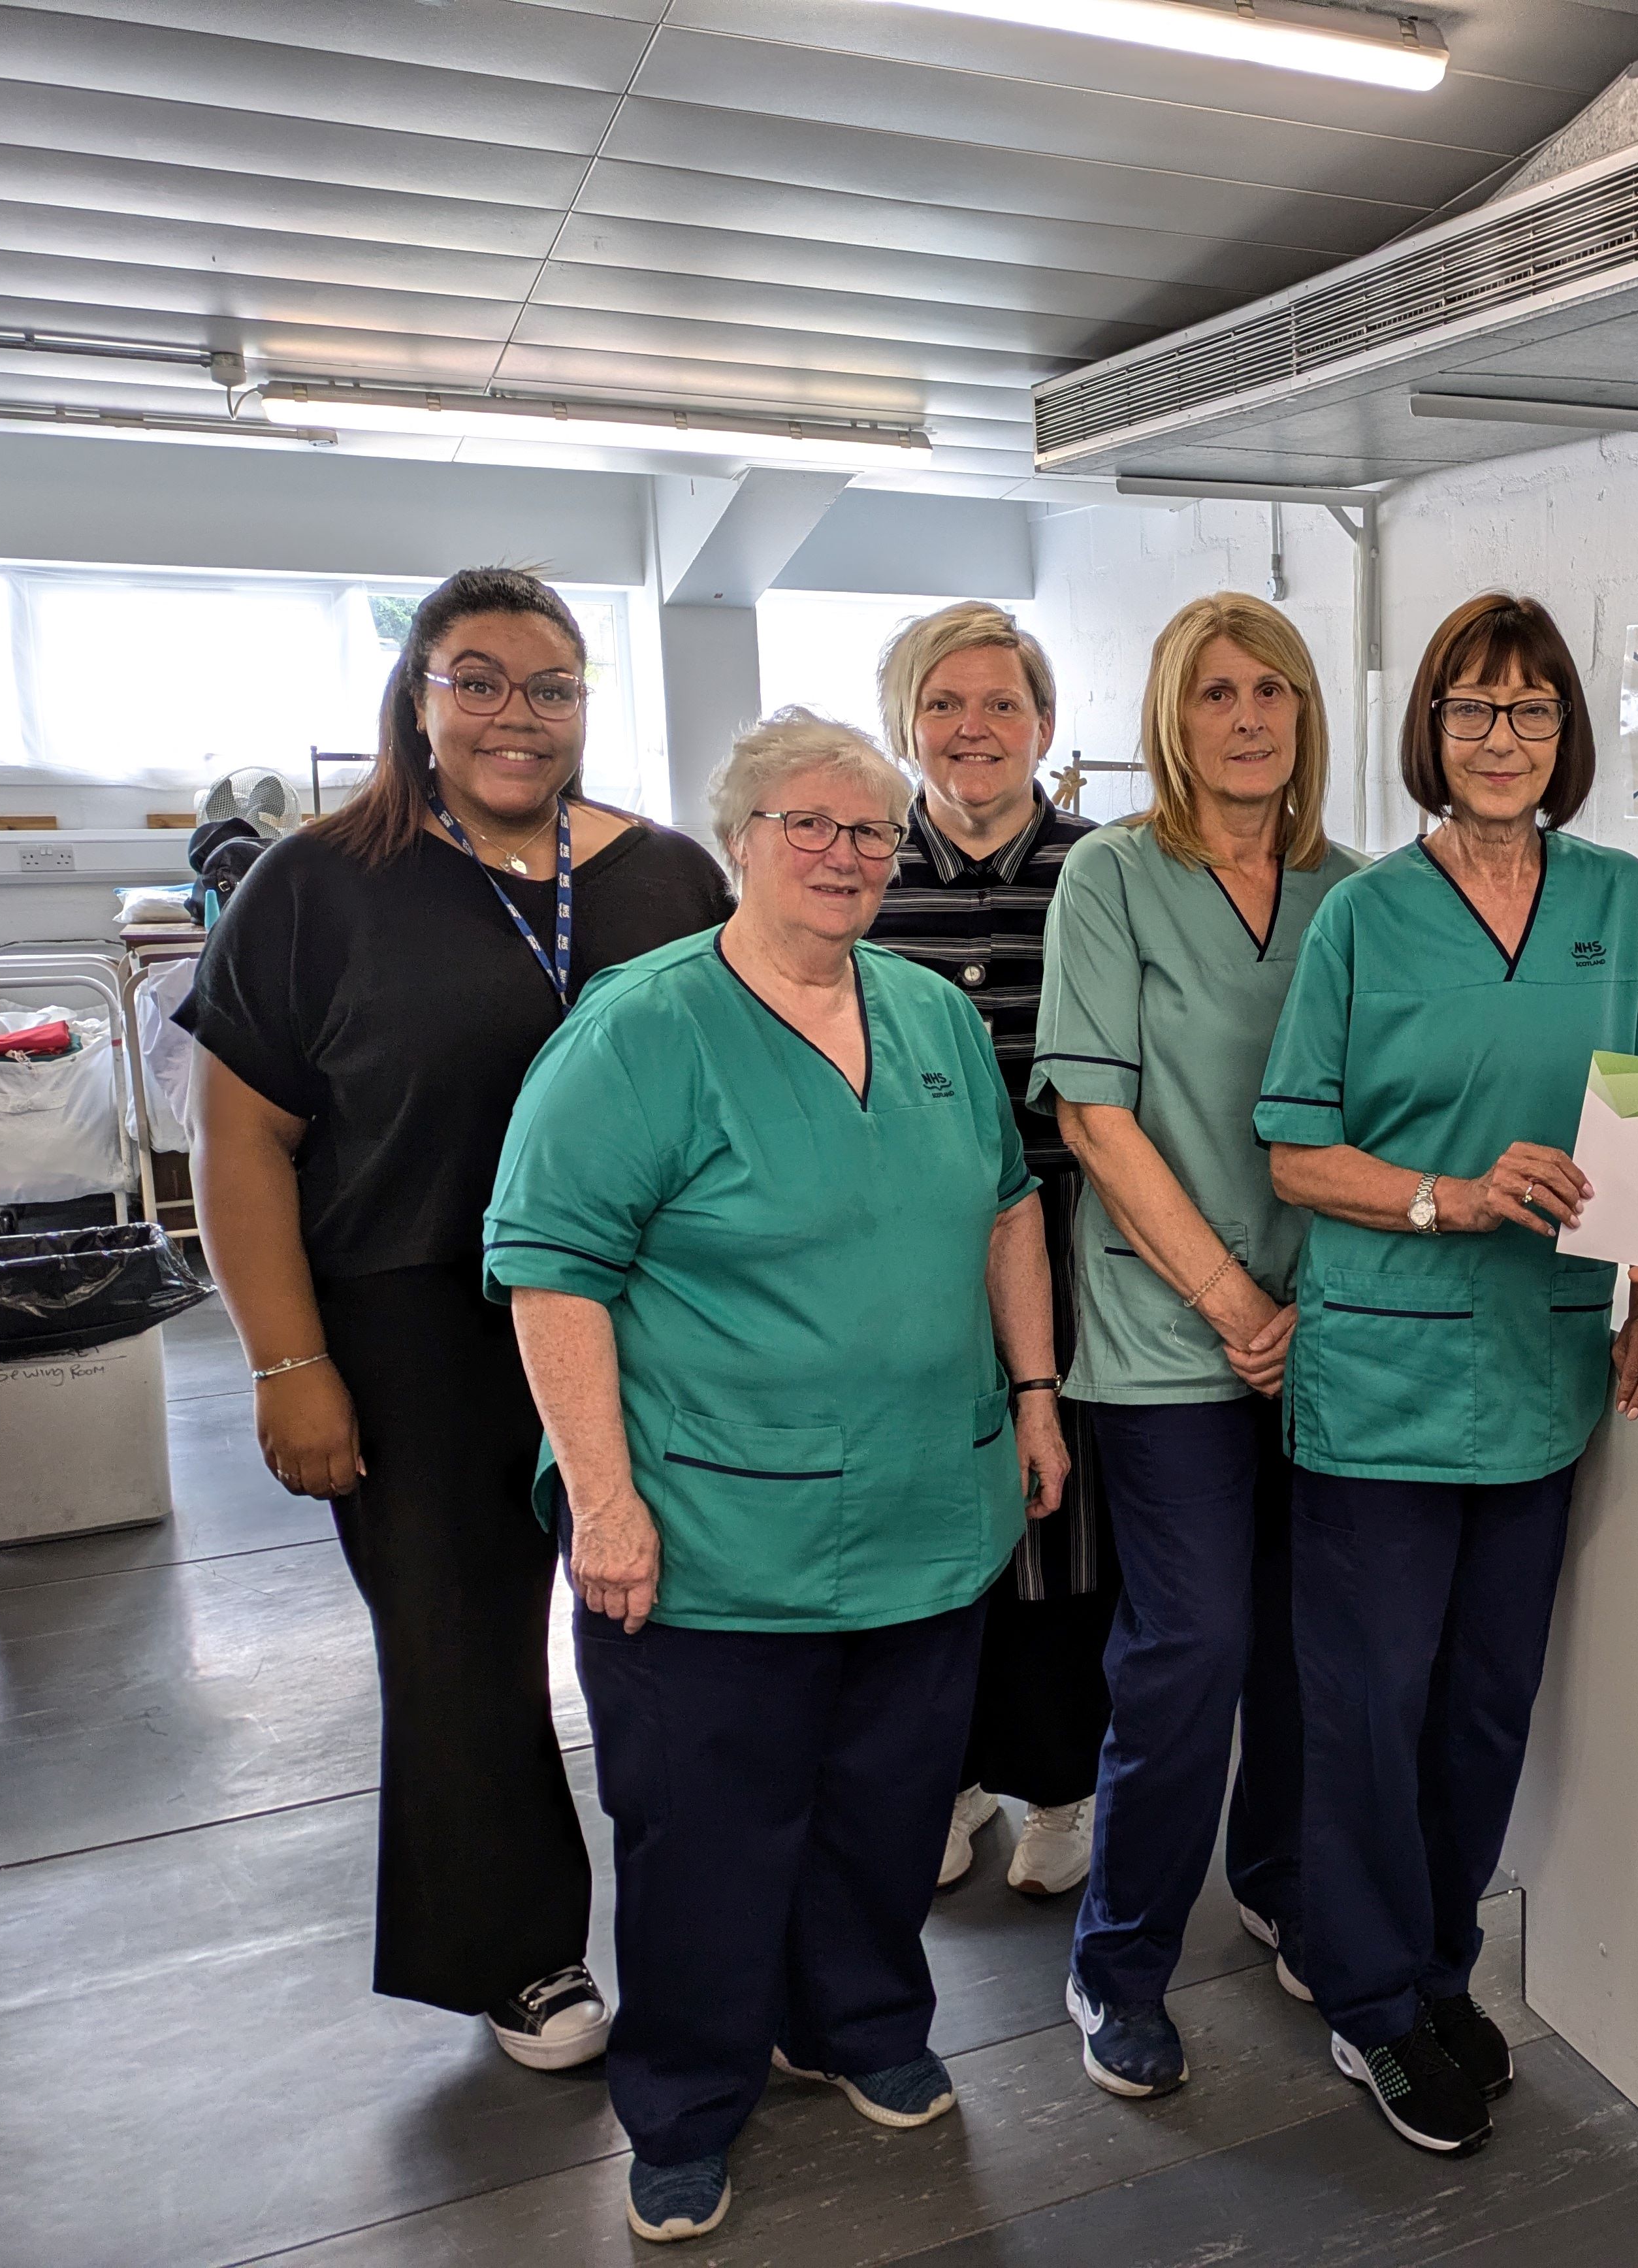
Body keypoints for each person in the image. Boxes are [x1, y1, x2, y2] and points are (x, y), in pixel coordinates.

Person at [485, 710, 1068, 2244]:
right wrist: (602, 1498)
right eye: (805, 824)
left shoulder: (929, 1014)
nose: (842, 853)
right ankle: (682, 2100)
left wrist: (1033, 1391)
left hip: (921, 1512)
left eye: (869, 831)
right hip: (710, 1529)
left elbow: (1008, 1207)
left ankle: (861, 2024)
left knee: (885, 1809)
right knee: (704, 1830)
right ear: (737, 837)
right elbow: (551, 1272)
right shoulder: (643, 1027)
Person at [182, 567, 731, 2073]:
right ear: (417, 698)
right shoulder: (317, 883)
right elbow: (240, 1141)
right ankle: (516, 1949)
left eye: (550, 685)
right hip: (409, 1323)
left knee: (677, 1631)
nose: (515, 714)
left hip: (646, 1323)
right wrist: (289, 1361)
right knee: (455, 1647)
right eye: (476, 679)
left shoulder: (671, 875)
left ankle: (727, 1925)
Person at [1257, 591, 1638, 2159]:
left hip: (1537, 1371)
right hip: (1383, 1378)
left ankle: (1436, 1963)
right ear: (1428, 731)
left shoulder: (1618, 898)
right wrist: (1443, 1193)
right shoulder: (1364, 916)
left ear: (1566, 733)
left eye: (1528, 710)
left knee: (1479, 1708)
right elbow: (1295, 1149)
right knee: (1367, 1708)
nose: (1501, 737)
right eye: (1470, 709)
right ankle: (1368, 1998)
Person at [1032, 592, 1364, 2099]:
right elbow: (1094, 1117)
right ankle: (1115, 1961)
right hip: (1171, 1331)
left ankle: (1280, 1879)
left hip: (1332, 1333)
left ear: (1305, 715)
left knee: (1309, 1637)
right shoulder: (1110, 875)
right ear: (1174, 716)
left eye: (1273, 692)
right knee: (1192, 1647)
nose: (1247, 717)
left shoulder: (1352, 891)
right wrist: (1235, 1305)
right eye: (1217, 692)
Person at [867, 601, 1109, 1901]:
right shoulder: (858, 872)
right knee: (929, 1517)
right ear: (905, 723)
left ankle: (1061, 1781)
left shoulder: (1102, 870)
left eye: (1001, 704)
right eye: (945, 703)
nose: (973, 728)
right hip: (904, 1254)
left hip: (1073, 1240)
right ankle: (948, 1775)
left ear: (1044, 726)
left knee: (1060, 1520)